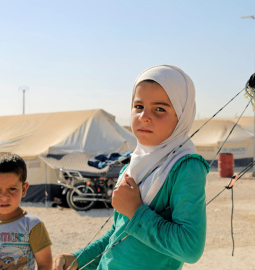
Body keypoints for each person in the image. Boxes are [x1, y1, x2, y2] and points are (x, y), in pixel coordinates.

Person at [52, 65, 210, 270]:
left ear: (182, 116)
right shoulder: (134, 164)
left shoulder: (185, 167)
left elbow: (190, 248)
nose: (144, 116)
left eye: (160, 109)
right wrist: (77, 259)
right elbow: (118, 236)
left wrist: (136, 210)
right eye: (138, 106)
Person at [0, 152, 53, 270]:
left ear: (24, 189)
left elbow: (45, 265)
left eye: (12, 189)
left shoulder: (32, 225)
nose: (4, 197)